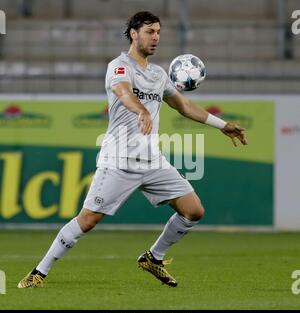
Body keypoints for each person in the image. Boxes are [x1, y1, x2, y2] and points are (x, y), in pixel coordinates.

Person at [18, 11, 248, 289]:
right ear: (133, 33)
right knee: (88, 220)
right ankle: (39, 272)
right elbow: (123, 92)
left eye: (159, 32)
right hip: (119, 160)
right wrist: (140, 109)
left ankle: (154, 257)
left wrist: (222, 125)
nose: (156, 38)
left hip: (152, 161)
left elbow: (184, 106)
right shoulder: (119, 66)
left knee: (194, 210)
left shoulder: (158, 74)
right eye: (150, 31)